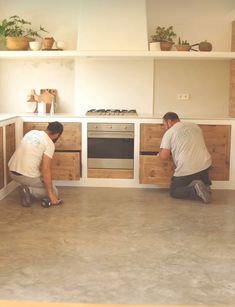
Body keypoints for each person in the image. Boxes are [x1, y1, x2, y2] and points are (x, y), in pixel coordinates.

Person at [159, 112, 212, 203]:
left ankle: (195, 191)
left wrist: (159, 153)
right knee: (197, 173)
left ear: (169, 121)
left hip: (187, 168)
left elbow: (164, 156)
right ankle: (205, 185)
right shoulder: (195, 126)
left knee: (174, 191)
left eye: (164, 124)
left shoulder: (170, 132)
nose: (165, 127)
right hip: (206, 164)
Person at [8, 121, 64, 207]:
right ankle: (29, 190)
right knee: (54, 191)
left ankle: (26, 188)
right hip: (25, 176)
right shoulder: (49, 144)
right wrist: (51, 195)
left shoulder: (32, 132)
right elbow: (46, 170)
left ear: (47, 128)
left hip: (12, 171)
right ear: (57, 134)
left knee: (40, 177)